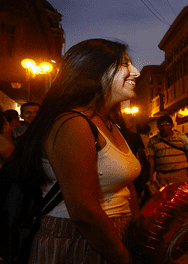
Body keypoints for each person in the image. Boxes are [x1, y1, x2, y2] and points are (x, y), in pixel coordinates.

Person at [6, 38, 143, 263]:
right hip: (78, 242)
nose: (135, 72)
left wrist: (137, 233)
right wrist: (125, 258)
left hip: (115, 236)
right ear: (93, 72)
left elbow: (127, 186)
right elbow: (85, 214)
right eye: (124, 64)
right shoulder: (73, 124)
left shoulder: (109, 124)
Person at [147, 116, 188, 187]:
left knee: (181, 195)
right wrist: (150, 174)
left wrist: (182, 160)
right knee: (164, 196)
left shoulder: (181, 137)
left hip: (179, 174)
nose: (164, 128)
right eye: (161, 125)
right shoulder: (153, 140)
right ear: (157, 127)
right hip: (162, 175)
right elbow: (151, 158)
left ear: (172, 125)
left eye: (167, 125)